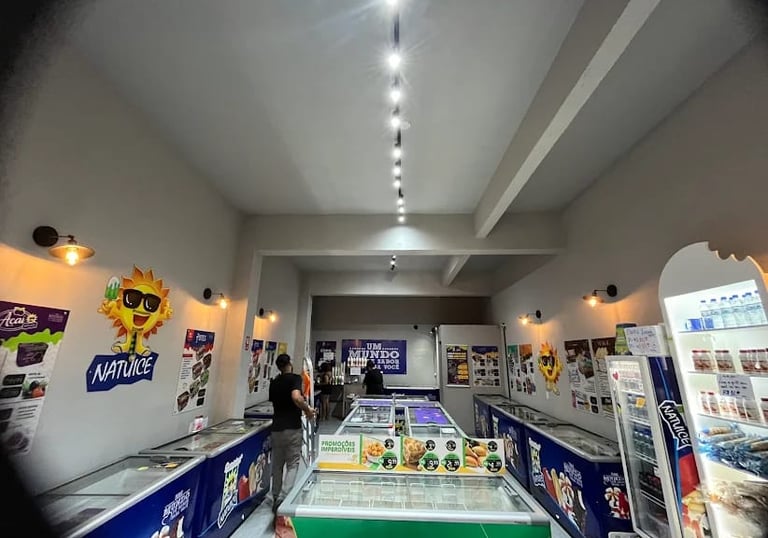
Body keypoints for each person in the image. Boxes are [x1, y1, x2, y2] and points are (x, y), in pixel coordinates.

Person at [269, 353, 315, 522]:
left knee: (277, 464)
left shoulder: (274, 382)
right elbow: (296, 396)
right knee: (293, 464)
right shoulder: (295, 378)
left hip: (276, 428)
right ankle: (283, 498)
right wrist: (307, 410)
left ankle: (275, 496)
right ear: (289, 363)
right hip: (292, 428)